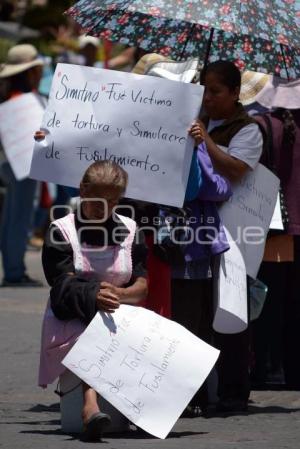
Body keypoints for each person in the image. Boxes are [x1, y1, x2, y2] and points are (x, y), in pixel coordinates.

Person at [38, 159, 148, 441]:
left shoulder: (131, 229)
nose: (105, 208)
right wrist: (94, 295)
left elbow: (142, 285)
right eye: (98, 200)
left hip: (121, 313)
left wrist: (119, 294)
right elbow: (60, 283)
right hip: (72, 315)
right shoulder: (61, 230)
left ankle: (149, 408)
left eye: (113, 201)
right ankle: (90, 405)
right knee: (92, 331)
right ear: (83, 191)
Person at [194, 60, 263, 412]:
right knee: (200, 311)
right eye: (204, 89)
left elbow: (236, 170)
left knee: (230, 311)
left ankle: (235, 391)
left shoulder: (247, 129)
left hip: (235, 233)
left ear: (236, 93)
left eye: (216, 91)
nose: (207, 98)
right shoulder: (196, 117)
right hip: (197, 232)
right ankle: (203, 390)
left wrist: (204, 140)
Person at [0, 44, 45, 287]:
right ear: (29, 72)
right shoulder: (25, 101)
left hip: (9, 164)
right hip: (22, 165)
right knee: (19, 218)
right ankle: (14, 271)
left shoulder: (8, 97)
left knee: (11, 217)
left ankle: (12, 267)